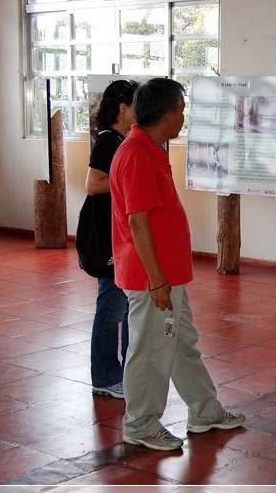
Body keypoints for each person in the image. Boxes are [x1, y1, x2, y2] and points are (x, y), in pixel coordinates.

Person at [110, 78, 245, 451]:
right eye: (182, 111)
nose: (183, 118)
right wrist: (156, 281)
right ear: (168, 114)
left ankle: (205, 410)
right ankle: (141, 424)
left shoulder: (150, 148)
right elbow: (137, 222)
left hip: (169, 277)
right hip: (152, 279)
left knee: (182, 345)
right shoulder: (136, 154)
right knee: (151, 351)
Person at [85, 79, 138, 399]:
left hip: (119, 232)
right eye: (136, 105)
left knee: (125, 304)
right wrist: (126, 179)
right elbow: (93, 184)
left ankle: (126, 369)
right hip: (108, 236)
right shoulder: (108, 140)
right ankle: (104, 376)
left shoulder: (123, 138)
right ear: (122, 108)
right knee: (111, 306)